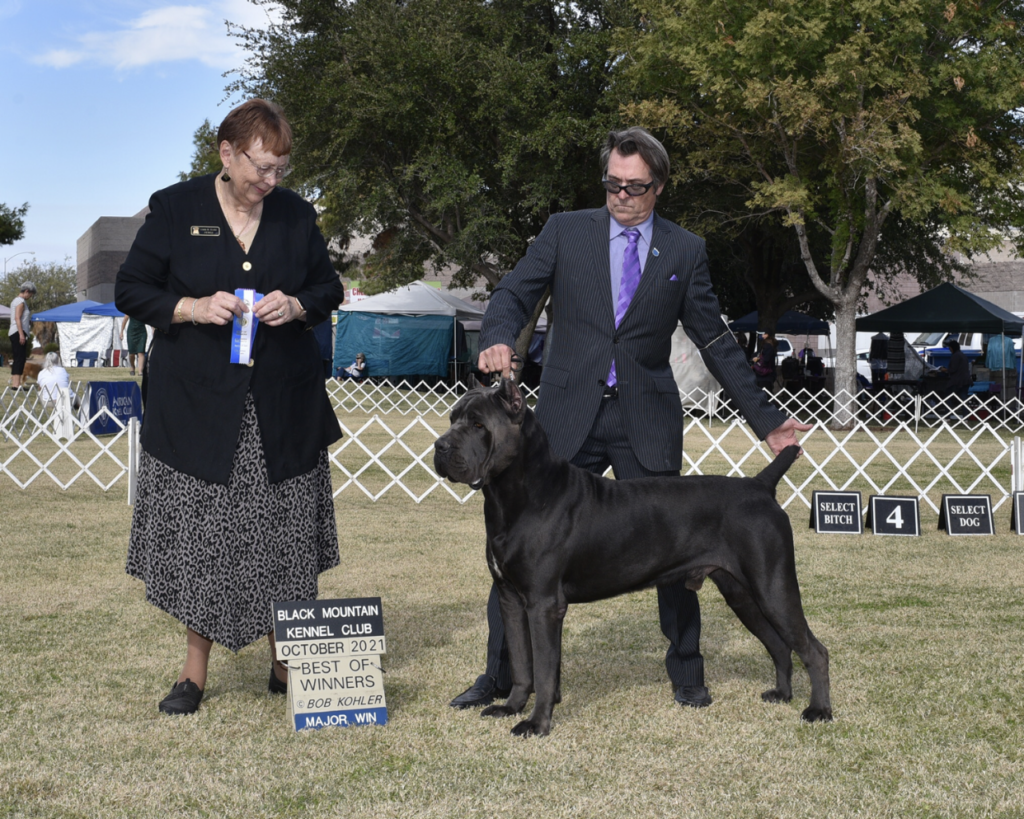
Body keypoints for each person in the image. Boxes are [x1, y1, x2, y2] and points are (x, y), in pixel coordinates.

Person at [456, 126, 811, 711]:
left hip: (645, 417)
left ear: (659, 187)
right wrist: (497, 338)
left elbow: (717, 341)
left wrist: (765, 419)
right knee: (522, 551)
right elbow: (515, 292)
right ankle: (502, 678)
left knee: (678, 548)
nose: (621, 196)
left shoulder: (685, 249)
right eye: (613, 185)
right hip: (567, 419)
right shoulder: (564, 231)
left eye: (635, 187)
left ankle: (687, 672)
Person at [115, 98, 345, 716]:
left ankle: (285, 662)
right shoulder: (174, 207)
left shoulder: (296, 215)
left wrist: (296, 305)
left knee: (284, 540)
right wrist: (191, 308)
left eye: (280, 169)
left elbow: (329, 287)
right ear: (226, 153)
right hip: (195, 409)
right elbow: (131, 288)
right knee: (202, 542)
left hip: (283, 408)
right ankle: (193, 674)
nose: (270, 182)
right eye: (260, 168)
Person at [8, 281, 36, 389]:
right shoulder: (20, 302)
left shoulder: (17, 301)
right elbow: (17, 318)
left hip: (17, 331)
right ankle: (16, 384)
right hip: (18, 332)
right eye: (31, 294)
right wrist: (21, 334)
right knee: (19, 358)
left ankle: (16, 383)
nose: (30, 297)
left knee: (19, 358)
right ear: (26, 291)